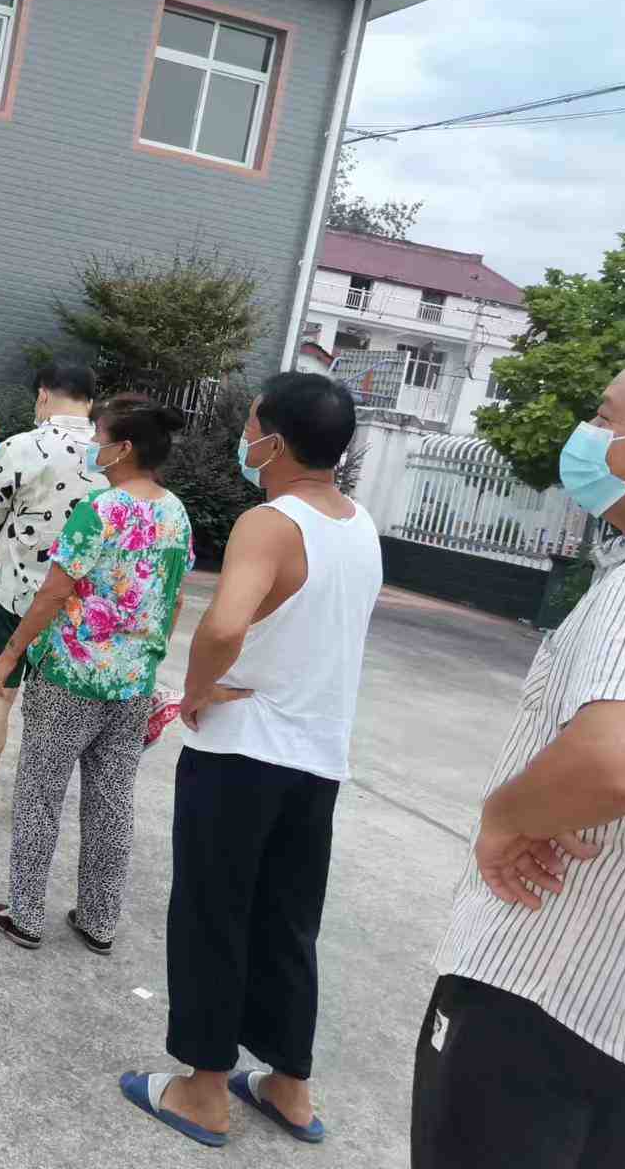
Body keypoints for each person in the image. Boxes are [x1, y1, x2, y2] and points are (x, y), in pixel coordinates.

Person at [413, 335, 625, 1169]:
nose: (588, 437)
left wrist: (507, 814)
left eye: (607, 419)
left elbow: (617, 759)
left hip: (540, 988)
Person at [120, 373, 378, 1150]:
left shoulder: (270, 523)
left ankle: (203, 1090)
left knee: (213, 913)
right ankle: (288, 1085)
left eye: (253, 424)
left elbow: (226, 625)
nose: (246, 437)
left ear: (275, 441)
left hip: (244, 754)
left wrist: (196, 690)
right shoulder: (360, 524)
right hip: (317, 759)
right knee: (287, 920)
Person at [0, 395, 193, 951]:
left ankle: (27, 914)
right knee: (112, 802)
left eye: (100, 438)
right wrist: (146, 657)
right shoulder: (176, 513)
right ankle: (99, 920)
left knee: (40, 794)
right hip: (133, 684)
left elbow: (56, 591)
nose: (93, 447)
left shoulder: (99, 509)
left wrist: (10, 653)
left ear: (124, 448)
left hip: (70, 679)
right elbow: (173, 597)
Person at [0, 359, 106, 824]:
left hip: (9, 590)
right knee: (57, 712)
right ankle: (37, 813)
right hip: (75, 603)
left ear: (43, 394)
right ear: (91, 402)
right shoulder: (112, 457)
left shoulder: (20, 446)